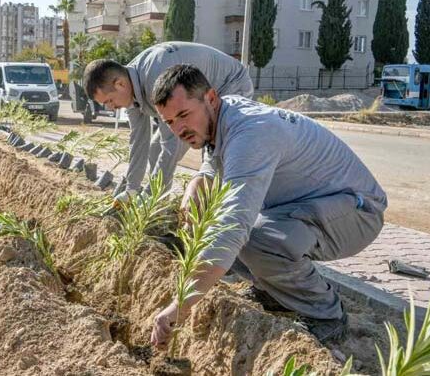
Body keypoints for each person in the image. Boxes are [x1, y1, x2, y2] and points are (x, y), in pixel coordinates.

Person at [148, 65, 386, 345]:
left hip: (356, 212)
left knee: (252, 237)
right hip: (307, 205)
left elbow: (232, 229)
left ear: (210, 98)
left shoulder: (252, 134)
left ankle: (327, 315)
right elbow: (215, 152)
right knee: (216, 225)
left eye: (184, 115)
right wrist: (200, 180)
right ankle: (275, 292)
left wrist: (180, 306)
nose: (179, 129)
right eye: (170, 122)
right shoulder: (224, 112)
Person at [83, 42, 253, 203]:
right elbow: (138, 141)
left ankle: (217, 214)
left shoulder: (155, 78)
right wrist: (131, 190)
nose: (112, 108)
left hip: (229, 84)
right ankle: (160, 207)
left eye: (109, 101)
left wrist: (149, 196)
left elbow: (173, 143)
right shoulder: (129, 85)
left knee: (212, 154)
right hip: (195, 98)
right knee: (155, 148)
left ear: (119, 84)